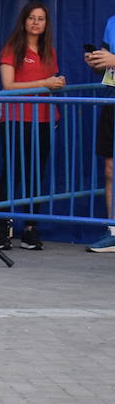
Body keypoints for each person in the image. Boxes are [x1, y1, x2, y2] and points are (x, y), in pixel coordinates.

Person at [0, 1, 64, 251]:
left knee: (36, 174)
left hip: (44, 119)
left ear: (46, 24)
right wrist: (45, 82)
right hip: (16, 119)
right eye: (32, 18)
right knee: (12, 173)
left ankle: (30, 230)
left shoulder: (50, 51)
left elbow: (51, 83)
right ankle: (1, 229)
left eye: (41, 19)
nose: (36, 23)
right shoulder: (12, 48)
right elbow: (8, 85)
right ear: (24, 21)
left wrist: (55, 83)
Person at [83, 18, 115, 254]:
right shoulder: (112, 23)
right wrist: (96, 61)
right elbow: (107, 65)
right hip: (111, 98)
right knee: (109, 168)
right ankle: (113, 231)